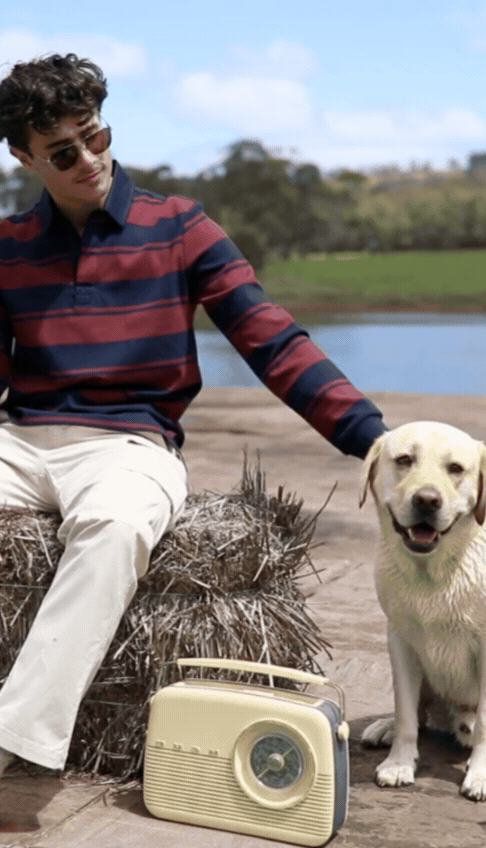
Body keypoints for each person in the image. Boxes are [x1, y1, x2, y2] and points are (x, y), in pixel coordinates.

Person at [0, 53, 387, 777]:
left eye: (97, 135)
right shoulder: (8, 248)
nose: (89, 159)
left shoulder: (182, 228)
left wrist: (377, 441)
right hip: (21, 440)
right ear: (24, 157)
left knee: (116, 527)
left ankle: (11, 740)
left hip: (129, 445)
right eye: (62, 151)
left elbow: (273, 341)